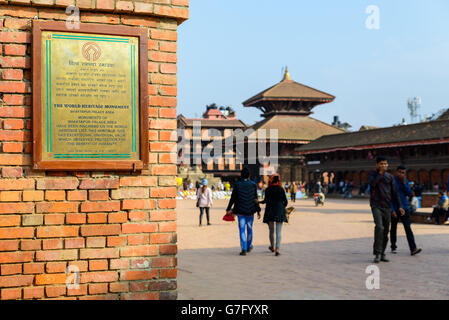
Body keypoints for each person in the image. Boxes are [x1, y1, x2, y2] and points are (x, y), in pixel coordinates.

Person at [368, 156, 404, 263]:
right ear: (377, 165)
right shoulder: (372, 174)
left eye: (385, 164)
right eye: (382, 164)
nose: (384, 166)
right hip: (376, 205)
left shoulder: (390, 177)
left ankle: (382, 252)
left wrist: (400, 206)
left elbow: (394, 193)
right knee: (379, 227)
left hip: (387, 206)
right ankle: (377, 253)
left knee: (385, 231)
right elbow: (373, 184)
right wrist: (380, 173)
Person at [226, 168, 261, 256]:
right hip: (250, 211)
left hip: (240, 211)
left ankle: (244, 249)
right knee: (249, 228)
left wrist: (228, 208)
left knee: (242, 230)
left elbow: (233, 198)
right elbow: (255, 199)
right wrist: (258, 210)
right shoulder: (253, 184)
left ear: (241, 175)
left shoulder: (237, 184)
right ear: (249, 175)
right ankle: (249, 246)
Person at [390, 166, 422, 256]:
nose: (401, 174)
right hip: (395, 208)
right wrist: (392, 209)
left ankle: (413, 248)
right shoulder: (391, 181)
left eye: (403, 172)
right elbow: (389, 197)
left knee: (408, 228)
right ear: (396, 172)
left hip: (405, 207)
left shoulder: (405, 180)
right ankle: (393, 246)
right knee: (393, 228)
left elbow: (408, 193)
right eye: (400, 172)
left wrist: (404, 183)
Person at [255, 174, 288, 256]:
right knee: (279, 231)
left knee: (271, 231)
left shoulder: (268, 189)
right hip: (279, 210)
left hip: (270, 210)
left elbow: (265, 201)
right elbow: (285, 201)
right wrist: (282, 207)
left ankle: (272, 247)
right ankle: (277, 248)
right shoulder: (281, 189)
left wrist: (258, 202)